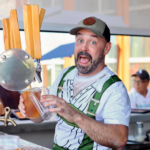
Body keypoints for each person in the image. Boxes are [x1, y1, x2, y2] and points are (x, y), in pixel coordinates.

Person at [19, 17, 131, 150]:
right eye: (80, 40)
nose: (84, 47)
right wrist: (30, 108)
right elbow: (41, 116)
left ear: (106, 48)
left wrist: (76, 116)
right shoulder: (66, 74)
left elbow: (119, 140)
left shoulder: (114, 88)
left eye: (93, 42)